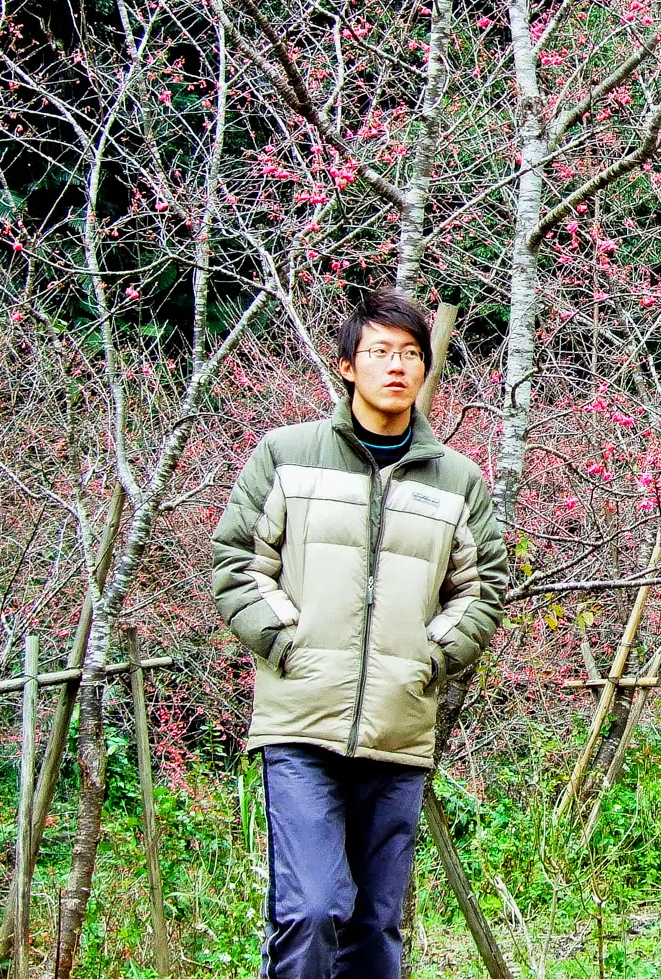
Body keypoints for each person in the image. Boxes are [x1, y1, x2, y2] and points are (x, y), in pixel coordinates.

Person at [212, 288, 505, 979]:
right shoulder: (286, 455)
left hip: (398, 728)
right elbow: (236, 563)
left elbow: (483, 587)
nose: (396, 366)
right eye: (379, 351)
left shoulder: (458, 480)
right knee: (311, 909)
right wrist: (289, 642)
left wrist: (431, 659)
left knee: (375, 924)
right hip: (300, 724)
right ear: (347, 365)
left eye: (410, 353)